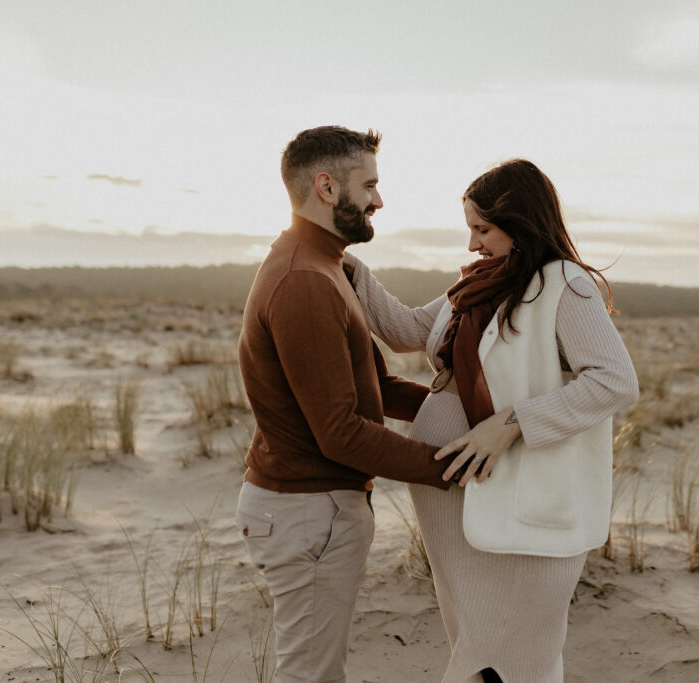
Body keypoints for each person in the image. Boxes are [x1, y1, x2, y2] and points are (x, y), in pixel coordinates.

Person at [345, 158, 640, 682]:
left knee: (521, 644)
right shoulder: (480, 284)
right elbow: (408, 331)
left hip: (518, 485)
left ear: (521, 221)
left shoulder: (562, 282)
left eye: (483, 229)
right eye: (470, 230)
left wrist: (510, 422)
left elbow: (615, 380)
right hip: (451, 491)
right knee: (473, 631)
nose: (472, 245)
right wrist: (350, 270)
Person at [234, 125, 454, 683]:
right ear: (328, 188)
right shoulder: (303, 281)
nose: (379, 199)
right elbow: (342, 432)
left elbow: (370, 389)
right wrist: (456, 468)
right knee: (310, 676)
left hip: (313, 509)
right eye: (370, 185)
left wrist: (463, 412)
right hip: (308, 511)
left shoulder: (328, 266)